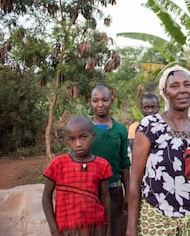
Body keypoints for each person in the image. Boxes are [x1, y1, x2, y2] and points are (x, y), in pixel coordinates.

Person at [42, 116, 112, 236]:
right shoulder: (58, 164)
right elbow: (46, 198)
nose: (78, 144)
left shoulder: (102, 165)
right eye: (72, 139)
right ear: (67, 140)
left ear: (93, 136)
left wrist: (108, 227)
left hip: (95, 228)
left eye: (83, 137)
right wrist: (54, 229)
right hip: (67, 228)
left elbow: (105, 198)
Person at [90, 85, 130, 236]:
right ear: (91, 102)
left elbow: (124, 162)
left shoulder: (120, 129)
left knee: (113, 229)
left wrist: (128, 192)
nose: (100, 104)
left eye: (104, 100)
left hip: (114, 191)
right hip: (90, 191)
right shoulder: (85, 128)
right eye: (95, 100)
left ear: (111, 101)